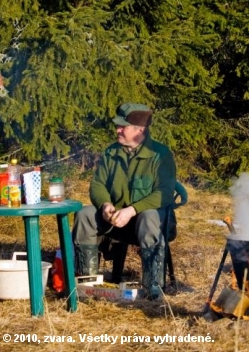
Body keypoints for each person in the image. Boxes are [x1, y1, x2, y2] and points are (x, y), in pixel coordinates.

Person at [72, 103, 177, 300]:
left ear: (140, 130)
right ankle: (85, 282)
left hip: (151, 223)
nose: (117, 130)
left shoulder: (161, 155)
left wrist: (132, 210)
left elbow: (165, 192)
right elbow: (97, 185)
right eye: (118, 126)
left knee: (149, 216)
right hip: (115, 221)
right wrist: (105, 205)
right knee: (84, 214)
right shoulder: (111, 153)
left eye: (123, 126)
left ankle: (153, 287)